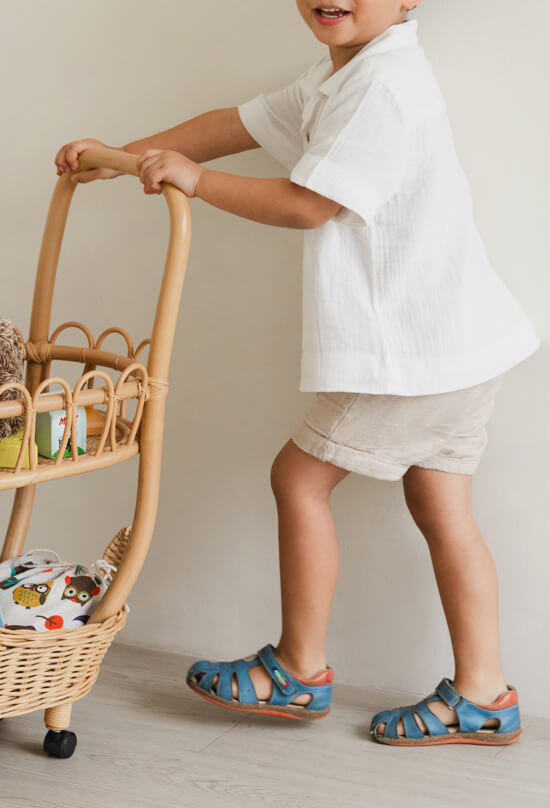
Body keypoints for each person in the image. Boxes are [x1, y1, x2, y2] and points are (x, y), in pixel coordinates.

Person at [54, 0, 539, 746]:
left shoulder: (385, 86)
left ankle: (298, 668)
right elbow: (231, 124)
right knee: (444, 509)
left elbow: (312, 204)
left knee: (299, 478)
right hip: (455, 346)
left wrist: (194, 182)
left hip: (408, 359)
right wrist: (120, 157)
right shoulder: (338, 78)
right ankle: (484, 693)